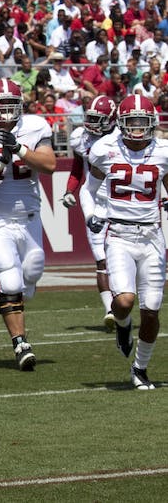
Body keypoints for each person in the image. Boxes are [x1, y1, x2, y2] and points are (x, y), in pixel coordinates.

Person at [0, 79, 56, 370]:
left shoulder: (35, 126)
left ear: (21, 106)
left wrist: (19, 149)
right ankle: (20, 342)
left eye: (10, 106)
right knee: (12, 280)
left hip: (29, 218)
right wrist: (1, 164)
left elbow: (50, 165)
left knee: (32, 272)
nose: (5, 113)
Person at [86, 95, 168, 390]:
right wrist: (92, 213)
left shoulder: (163, 151)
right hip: (119, 234)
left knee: (152, 307)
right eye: (130, 122)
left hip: (151, 237)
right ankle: (122, 324)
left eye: (141, 122)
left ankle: (140, 367)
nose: (135, 128)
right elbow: (88, 189)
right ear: (120, 123)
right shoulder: (105, 148)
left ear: (151, 123)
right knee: (124, 302)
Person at [62, 96, 118, 330]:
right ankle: (110, 310)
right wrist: (69, 190)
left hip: (119, 202)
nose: (92, 124)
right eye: (91, 118)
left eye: (98, 119)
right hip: (94, 201)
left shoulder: (120, 139)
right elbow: (77, 168)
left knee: (120, 259)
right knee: (101, 259)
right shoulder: (80, 139)